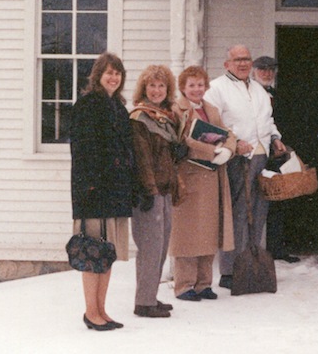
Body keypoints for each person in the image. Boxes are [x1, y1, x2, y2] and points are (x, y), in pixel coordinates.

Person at [204, 45, 287, 289]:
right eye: (237, 59)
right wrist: (233, 141)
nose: (243, 64)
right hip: (237, 159)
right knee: (237, 213)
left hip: (261, 157)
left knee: (259, 212)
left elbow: (267, 120)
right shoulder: (217, 88)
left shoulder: (258, 89)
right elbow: (212, 124)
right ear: (226, 64)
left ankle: (252, 263)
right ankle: (230, 270)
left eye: (246, 59)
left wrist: (275, 137)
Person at [70, 52, 135, 331]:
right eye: (109, 72)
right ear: (98, 75)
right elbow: (82, 150)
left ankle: (101, 309)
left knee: (107, 253)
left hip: (116, 190)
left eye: (118, 73)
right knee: (92, 252)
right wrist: (91, 185)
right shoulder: (87, 105)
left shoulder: (118, 107)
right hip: (93, 192)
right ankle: (90, 311)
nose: (114, 77)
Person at [170, 66, 236, 301]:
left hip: (212, 177)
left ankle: (203, 283)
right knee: (188, 232)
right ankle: (184, 284)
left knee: (209, 230)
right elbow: (182, 140)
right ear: (183, 88)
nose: (197, 89)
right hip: (189, 177)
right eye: (192, 85)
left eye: (200, 84)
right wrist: (212, 150)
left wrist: (228, 150)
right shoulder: (176, 110)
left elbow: (229, 134)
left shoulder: (212, 109)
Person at [129, 65, 183, 318]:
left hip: (164, 190)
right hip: (148, 193)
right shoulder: (140, 119)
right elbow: (142, 160)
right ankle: (144, 303)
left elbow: (165, 158)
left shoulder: (164, 117)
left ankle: (150, 296)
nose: (157, 90)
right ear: (144, 88)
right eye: (152, 85)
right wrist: (149, 191)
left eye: (161, 85)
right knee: (150, 247)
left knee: (160, 247)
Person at [252, 55, 300, 264]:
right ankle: (251, 251)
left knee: (279, 203)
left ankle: (276, 248)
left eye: (271, 70)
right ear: (254, 71)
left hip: (276, 156)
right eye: (263, 69)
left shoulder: (278, 96)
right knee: (252, 203)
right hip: (253, 154)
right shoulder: (248, 95)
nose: (267, 73)